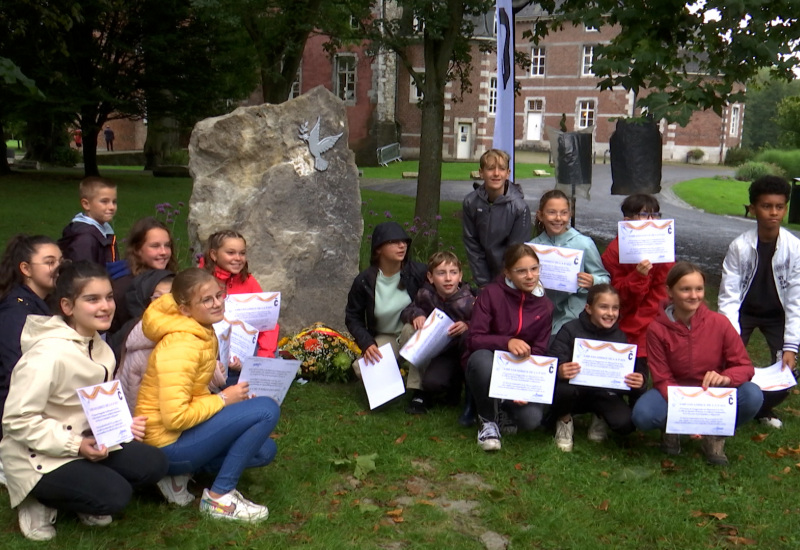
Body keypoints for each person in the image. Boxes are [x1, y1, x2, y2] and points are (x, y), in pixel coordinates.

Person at [0, 261, 168, 541]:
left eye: (109, 297)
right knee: (116, 494)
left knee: (154, 463)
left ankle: (81, 492)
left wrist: (122, 425)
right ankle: (37, 498)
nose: (105, 306)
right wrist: (76, 445)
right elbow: (17, 421)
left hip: (84, 442)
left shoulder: (100, 348)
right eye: (92, 299)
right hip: (36, 455)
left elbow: (96, 405)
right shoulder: (46, 355)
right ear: (67, 306)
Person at [135, 268, 280, 521]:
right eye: (207, 300)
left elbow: (192, 395)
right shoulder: (182, 345)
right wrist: (224, 399)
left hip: (179, 435)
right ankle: (219, 499)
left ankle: (179, 477)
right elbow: (175, 417)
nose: (217, 304)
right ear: (184, 309)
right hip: (164, 443)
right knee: (267, 409)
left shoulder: (199, 329)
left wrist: (227, 400)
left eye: (219, 295)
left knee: (264, 450)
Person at [631, 262, 763, 465]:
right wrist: (687, 415)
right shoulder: (657, 329)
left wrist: (726, 377)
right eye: (685, 289)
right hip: (675, 393)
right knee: (643, 414)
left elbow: (745, 366)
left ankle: (715, 435)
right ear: (670, 292)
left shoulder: (720, 323)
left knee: (753, 394)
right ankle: (671, 428)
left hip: (713, 393)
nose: (694, 295)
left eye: (699, 289)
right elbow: (662, 378)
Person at [719, 175, 800, 429]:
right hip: (744, 312)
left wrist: (791, 346)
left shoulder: (795, 248)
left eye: (779, 206)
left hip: (778, 315)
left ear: (785, 208)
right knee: (726, 362)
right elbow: (728, 297)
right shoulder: (739, 247)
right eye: (766, 206)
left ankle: (763, 408)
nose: (773, 213)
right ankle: (729, 404)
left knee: (788, 369)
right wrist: (731, 337)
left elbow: (796, 299)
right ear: (753, 208)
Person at [465, 244, 554, 452]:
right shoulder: (491, 294)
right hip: (489, 363)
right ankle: (487, 421)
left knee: (531, 420)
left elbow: (539, 350)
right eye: (521, 271)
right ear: (508, 273)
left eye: (534, 269)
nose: (530, 276)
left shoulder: (546, 306)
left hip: (520, 371)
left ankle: (504, 409)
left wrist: (524, 387)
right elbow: (474, 339)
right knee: (481, 361)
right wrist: (507, 342)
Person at [548, 284, 644, 452]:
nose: (610, 313)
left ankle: (600, 417)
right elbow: (553, 360)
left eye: (615, 308)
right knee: (563, 391)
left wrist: (638, 380)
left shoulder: (620, 336)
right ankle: (564, 421)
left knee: (625, 424)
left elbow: (629, 373)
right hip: (573, 392)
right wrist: (560, 370)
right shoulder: (570, 329)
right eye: (603, 307)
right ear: (589, 308)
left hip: (602, 393)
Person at [601, 194, 673, 404]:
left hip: (648, 322)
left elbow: (663, 290)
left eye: (655, 215)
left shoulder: (663, 248)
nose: (651, 221)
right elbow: (614, 292)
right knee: (612, 379)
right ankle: (606, 409)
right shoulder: (614, 252)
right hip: (619, 319)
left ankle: (637, 407)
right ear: (627, 220)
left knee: (638, 382)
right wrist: (638, 276)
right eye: (644, 215)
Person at [345, 222, 426, 377]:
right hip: (387, 336)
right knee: (361, 369)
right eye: (393, 242)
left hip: (415, 331)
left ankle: (417, 386)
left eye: (404, 241)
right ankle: (395, 373)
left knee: (410, 332)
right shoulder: (364, 281)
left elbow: (449, 287)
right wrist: (367, 342)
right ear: (378, 248)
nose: (402, 246)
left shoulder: (419, 272)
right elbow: (352, 317)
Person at [0, 235, 62, 437]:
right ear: (26, 269)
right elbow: (15, 370)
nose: (58, 268)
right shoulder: (16, 313)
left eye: (61, 261)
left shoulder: (44, 303)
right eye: (50, 262)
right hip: (16, 416)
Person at [399, 251, 475, 414]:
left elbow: (484, 324)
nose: (448, 278)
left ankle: (456, 387)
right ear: (431, 277)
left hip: (455, 354)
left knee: (436, 382)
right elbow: (406, 311)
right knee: (408, 329)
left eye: (453, 273)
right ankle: (418, 391)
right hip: (432, 350)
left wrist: (467, 325)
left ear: (460, 276)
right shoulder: (425, 294)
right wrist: (416, 314)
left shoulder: (469, 300)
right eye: (441, 273)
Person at [202, 230, 281, 383]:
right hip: (212, 349)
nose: (238, 258)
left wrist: (264, 357)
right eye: (231, 253)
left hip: (245, 346)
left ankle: (252, 376)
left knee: (271, 350)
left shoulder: (248, 281)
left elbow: (267, 320)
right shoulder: (201, 281)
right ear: (213, 254)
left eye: (242, 253)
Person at [530, 189, 610, 334]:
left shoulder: (584, 243)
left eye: (564, 212)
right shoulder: (532, 248)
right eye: (552, 212)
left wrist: (593, 281)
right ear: (540, 215)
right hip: (540, 315)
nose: (558, 218)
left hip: (574, 316)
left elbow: (606, 280)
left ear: (570, 214)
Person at [462, 149, 531, 289]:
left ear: (508, 173)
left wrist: (501, 283)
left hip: (509, 277)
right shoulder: (470, 202)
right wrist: (484, 282)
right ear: (481, 172)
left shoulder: (519, 207)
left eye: (502, 169)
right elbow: (472, 244)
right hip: (483, 277)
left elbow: (516, 251)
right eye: (490, 168)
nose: (496, 173)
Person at [111, 269, 175, 413]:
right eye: (158, 298)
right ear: (144, 300)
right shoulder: (135, 336)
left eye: (172, 296)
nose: (166, 304)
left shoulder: (189, 327)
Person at [109, 217, 179, 335]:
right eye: (155, 246)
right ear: (137, 249)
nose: (163, 252)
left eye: (167, 245)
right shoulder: (123, 287)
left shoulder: (169, 279)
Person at [58, 176, 127, 279]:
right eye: (104, 201)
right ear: (86, 204)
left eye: (114, 201)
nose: (112, 207)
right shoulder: (84, 239)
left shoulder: (103, 230)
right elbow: (84, 276)